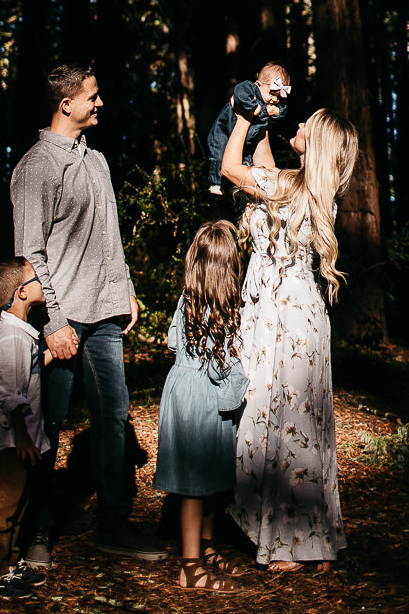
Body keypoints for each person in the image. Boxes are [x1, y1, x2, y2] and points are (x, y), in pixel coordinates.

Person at [11, 62, 166, 565]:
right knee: (48, 427)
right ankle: (36, 531)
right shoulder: (36, 167)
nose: (99, 104)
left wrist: (125, 290)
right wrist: (52, 323)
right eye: (92, 97)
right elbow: (29, 255)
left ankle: (113, 526)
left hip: (104, 316)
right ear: (66, 104)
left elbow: (111, 238)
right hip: (61, 319)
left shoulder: (96, 161)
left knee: (113, 417)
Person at [221, 108, 359, 571]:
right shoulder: (304, 185)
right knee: (293, 422)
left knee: (285, 422)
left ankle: (291, 542)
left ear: (317, 143)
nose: (295, 128)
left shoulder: (292, 188)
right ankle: (306, 535)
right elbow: (265, 161)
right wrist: (262, 116)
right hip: (291, 312)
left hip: (284, 315)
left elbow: (231, 168)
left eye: (305, 127)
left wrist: (240, 117)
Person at [153, 220, 249, 593]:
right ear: (229, 270)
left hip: (185, 391)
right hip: (200, 398)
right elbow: (221, 364)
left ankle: (206, 547)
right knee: (194, 484)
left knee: (210, 477)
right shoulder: (214, 308)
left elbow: (172, 343)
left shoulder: (188, 298)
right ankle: (190, 566)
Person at [0, 257, 51, 600]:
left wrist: (50, 356)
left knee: (18, 503)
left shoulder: (19, 332)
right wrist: (21, 435)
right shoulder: (10, 338)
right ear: (21, 292)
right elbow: (9, 393)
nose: (42, 283)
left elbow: (25, 373)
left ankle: (10, 563)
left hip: (18, 437)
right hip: (7, 440)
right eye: (36, 279)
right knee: (2, 506)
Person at [205, 63, 293, 195]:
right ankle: (215, 182)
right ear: (258, 84)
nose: (274, 99)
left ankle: (234, 183)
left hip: (247, 134)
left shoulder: (270, 101)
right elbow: (239, 94)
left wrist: (277, 111)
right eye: (272, 94)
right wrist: (253, 107)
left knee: (246, 157)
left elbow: (283, 110)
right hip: (225, 128)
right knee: (218, 153)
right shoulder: (248, 88)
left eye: (278, 97)